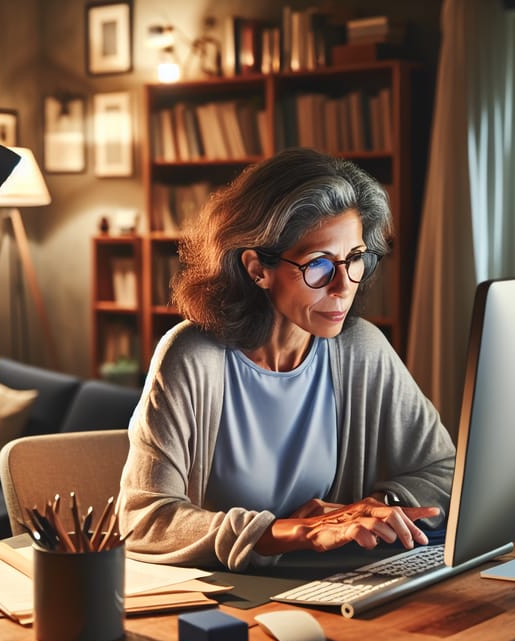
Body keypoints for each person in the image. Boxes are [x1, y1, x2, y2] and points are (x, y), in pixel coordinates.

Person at [117, 148, 456, 571]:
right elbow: (142, 521)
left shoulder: (361, 349)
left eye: (354, 259)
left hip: (331, 587)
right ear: (258, 268)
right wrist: (294, 533)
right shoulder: (192, 356)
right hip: (223, 601)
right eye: (318, 265)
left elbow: (445, 469)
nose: (342, 287)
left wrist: (375, 506)